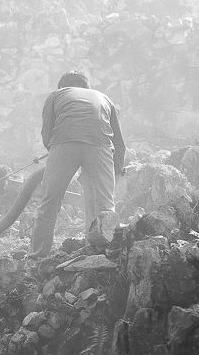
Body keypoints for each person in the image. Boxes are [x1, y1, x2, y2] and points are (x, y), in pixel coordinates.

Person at [29, 71, 126, 258]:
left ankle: (37, 255)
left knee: (50, 202)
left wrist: (55, 150)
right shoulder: (104, 98)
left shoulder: (56, 95)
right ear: (86, 87)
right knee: (106, 205)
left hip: (64, 144)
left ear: (62, 86)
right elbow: (120, 144)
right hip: (100, 147)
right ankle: (107, 252)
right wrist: (117, 171)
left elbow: (46, 131)